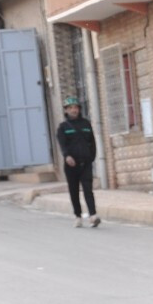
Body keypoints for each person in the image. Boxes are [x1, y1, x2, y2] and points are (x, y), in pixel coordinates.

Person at [56, 96, 100, 228]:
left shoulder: (86, 124)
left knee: (88, 189)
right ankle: (78, 216)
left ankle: (93, 215)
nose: (73, 110)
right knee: (74, 190)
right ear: (66, 111)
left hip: (85, 163)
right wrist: (67, 156)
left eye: (75, 107)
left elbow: (92, 142)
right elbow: (62, 145)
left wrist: (91, 157)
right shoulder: (63, 127)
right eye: (70, 108)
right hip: (71, 165)